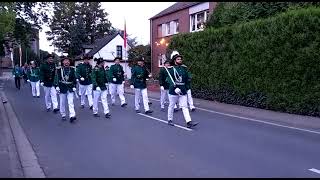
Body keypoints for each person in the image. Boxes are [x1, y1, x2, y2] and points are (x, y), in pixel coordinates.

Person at [166, 51, 198, 128]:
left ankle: (189, 122)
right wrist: (174, 87)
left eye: (180, 59)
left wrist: (189, 78)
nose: (180, 60)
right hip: (174, 90)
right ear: (174, 61)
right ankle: (170, 119)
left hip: (183, 90)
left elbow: (187, 78)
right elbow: (169, 79)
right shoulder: (171, 69)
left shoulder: (184, 68)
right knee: (172, 105)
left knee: (184, 106)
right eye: (178, 59)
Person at [54, 56, 77, 123]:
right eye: (65, 61)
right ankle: (63, 114)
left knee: (71, 102)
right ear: (62, 62)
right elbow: (57, 78)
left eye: (68, 61)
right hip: (62, 87)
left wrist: (75, 86)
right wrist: (57, 86)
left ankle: (72, 115)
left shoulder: (72, 69)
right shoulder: (59, 69)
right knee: (62, 102)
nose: (67, 62)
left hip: (70, 87)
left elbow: (74, 78)